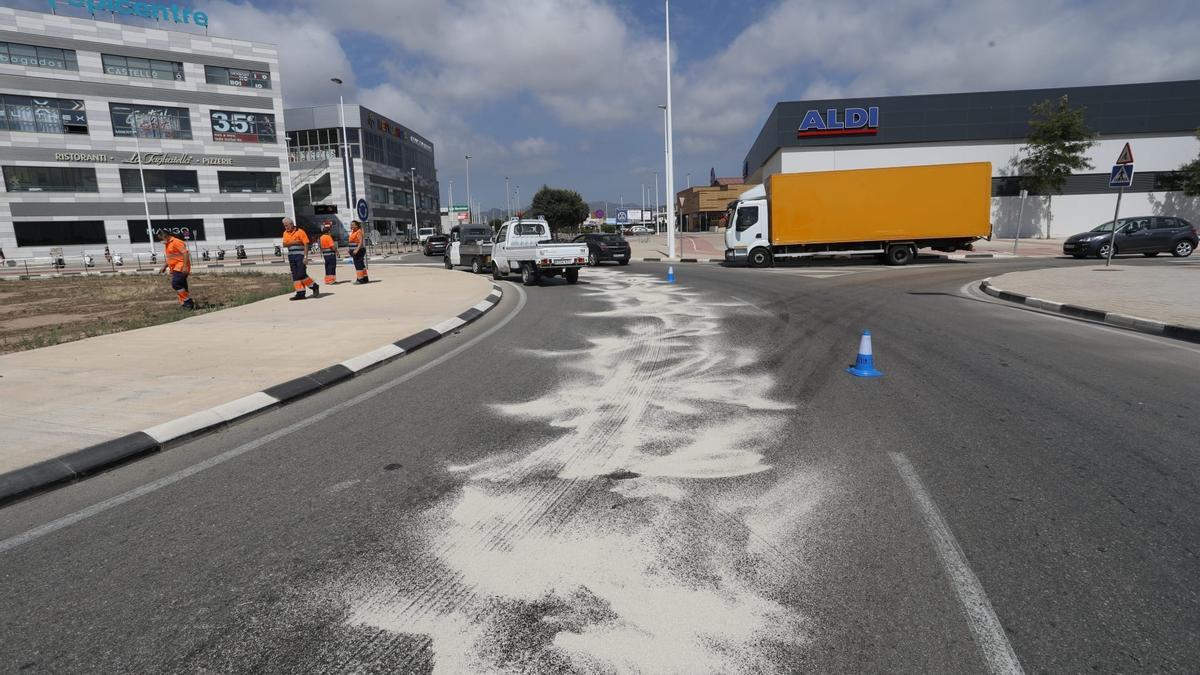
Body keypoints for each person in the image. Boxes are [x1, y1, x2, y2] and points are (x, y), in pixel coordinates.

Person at [282, 217, 319, 300]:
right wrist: (294, 242)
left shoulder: (300, 231)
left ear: (291, 224)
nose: (286, 227)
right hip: (291, 256)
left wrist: (305, 257)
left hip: (300, 255)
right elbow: (284, 244)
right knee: (295, 275)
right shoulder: (285, 233)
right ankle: (300, 293)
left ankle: (314, 286)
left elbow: (306, 244)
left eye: (287, 225)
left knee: (301, 274)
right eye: (284, 226)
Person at [157, 230, 195, 309]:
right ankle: (185, 304)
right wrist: (165, 266)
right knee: (182, 286)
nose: (160, 241)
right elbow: (171, 257)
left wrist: (184, 266)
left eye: (161, 239)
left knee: (176, 284)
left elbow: (185, 254)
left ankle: (188, 301)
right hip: (175, 268)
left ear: (165, 236)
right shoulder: (168, 244)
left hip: (180, 267)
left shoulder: (176, 242)